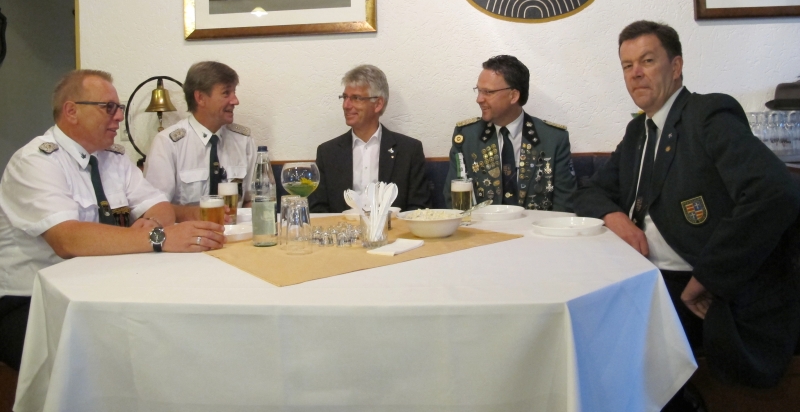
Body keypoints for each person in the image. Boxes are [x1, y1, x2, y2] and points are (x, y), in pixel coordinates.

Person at [575, 20, 800, 393]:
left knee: (604, 352)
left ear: (676, 66)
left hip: (702, 292)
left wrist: (709, 277)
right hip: (647, 280)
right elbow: (589, 190)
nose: (636, 73)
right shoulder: (638, 132)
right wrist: (615, 218)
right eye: (627, 66)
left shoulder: (708, 116)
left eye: (647, 60)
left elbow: (774, 193)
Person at [0, 70, 224, 372]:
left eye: (119, 107)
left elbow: (159, 205)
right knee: (111, 361)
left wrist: (151, 224)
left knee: (170, 336)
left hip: (99, 288)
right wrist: (158, 238)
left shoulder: (113, 158)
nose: (119, 116)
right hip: (33, 300)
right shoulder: (35, 162)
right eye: (108, 107)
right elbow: (68, 239)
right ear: (71, 111)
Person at [444, 55, 576, 211]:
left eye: (488, 92)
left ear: (513, 96)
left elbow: (565, 206)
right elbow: (454, 200)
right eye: (478, 91)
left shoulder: (552, 138)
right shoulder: (467, 137)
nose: (479, 99)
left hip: (536, 226)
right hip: (483, 225)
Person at [308, 65, 431, 214]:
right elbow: (318, 210)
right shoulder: (327, 153)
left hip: (393, 228)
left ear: (378, 104)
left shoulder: (409, 151)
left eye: (356, 98)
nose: (346, 105)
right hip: (343, 228)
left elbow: (419, 209)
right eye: (345, 97)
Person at [145, 61, 257, 222]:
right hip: (187, 235)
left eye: (234, 92)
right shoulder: (168, 143)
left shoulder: (243, 141)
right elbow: (154, 208)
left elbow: (252, 199)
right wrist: (197, 214)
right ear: (200, 98)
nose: (235, 101)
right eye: (226, 93)